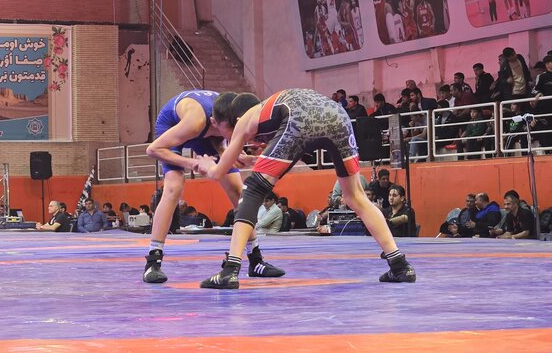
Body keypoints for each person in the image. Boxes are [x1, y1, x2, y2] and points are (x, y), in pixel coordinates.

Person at [195, 89, 416, 289]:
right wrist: (254, 160)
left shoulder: (245, 119)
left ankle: (230, 270)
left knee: (252, 189)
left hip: (299, 118)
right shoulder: (270, 109)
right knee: (356, 196)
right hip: (338, 116)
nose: (249, 143)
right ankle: (399, 265)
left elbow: (218, 173)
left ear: (236, 120)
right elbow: (289, 150)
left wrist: (206, 165)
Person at [143, 90, 283, 284]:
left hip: (210, 132)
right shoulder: (197, 121)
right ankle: (153, 262)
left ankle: (255, 260)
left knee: (239, 192)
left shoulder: (229, 114)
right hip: (174, 126)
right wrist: (193, 163)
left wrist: (236, 156)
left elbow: (222, 145)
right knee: (174, 187)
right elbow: (153, 149)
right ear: (214, 123)